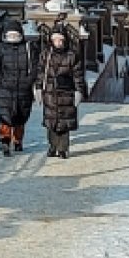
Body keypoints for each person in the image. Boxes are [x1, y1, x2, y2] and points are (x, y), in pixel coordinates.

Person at [36, 22, 86, 159]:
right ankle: (52, 146)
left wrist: (78, 90)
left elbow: (78, 74)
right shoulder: (46, 55)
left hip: (66, 92)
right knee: (51, 122)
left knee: (64, 123)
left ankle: (63, 148)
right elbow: (40, 73)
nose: (57, 42)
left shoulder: (72, 55)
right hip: (50, 92)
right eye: (55, 39)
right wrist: (39, 88)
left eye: (60, 40)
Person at [0, 18, 37, 156]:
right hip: (5, 88)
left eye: (15, 35)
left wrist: (29, 80)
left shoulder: (28, 49)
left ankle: (18, 140)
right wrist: (0, 79)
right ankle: (5, 141)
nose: (13, 38)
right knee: (5, 115)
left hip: (23, 89)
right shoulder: (1, 49)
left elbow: (34, 66)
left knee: (21, 115)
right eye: (10, 35)